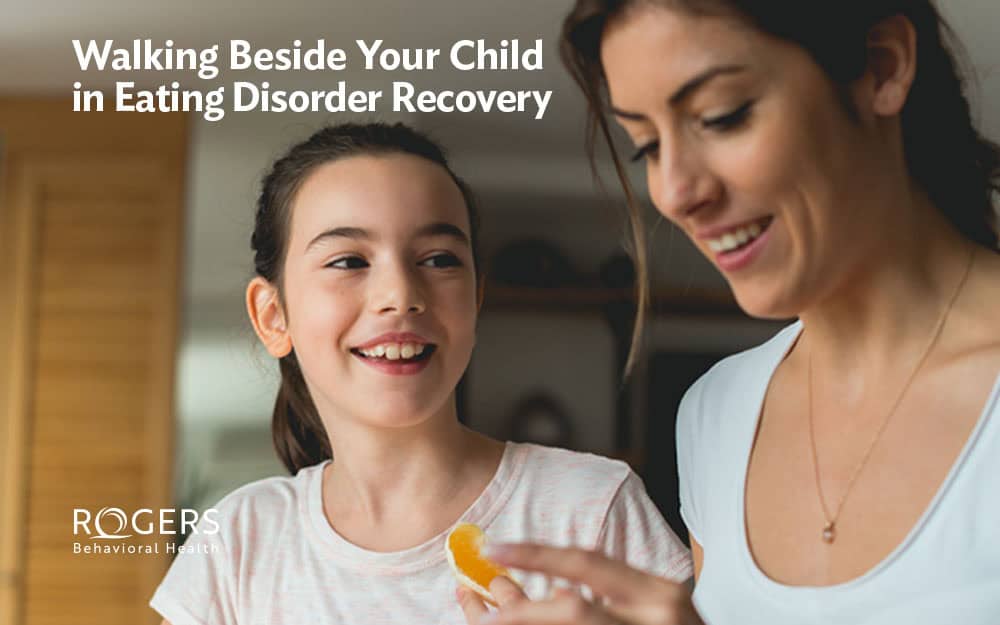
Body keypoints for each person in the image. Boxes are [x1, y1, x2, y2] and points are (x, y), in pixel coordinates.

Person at [457, 1, 1000, 624]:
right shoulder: (717, 412)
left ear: (880, 68)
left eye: (722, 116)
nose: (676, 192)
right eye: (647, 146)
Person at [148, 122, 692, 625]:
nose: (401, 296)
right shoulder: (238, 539)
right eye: (348, 261)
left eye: (438, 259)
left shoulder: (591, 506)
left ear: (475, 301)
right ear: (273, 316)